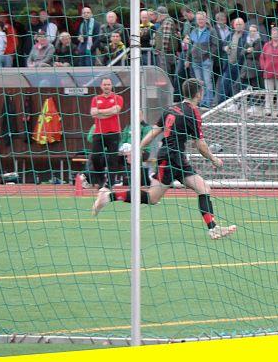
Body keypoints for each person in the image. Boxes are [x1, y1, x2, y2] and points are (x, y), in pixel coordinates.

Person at [92, 78, 236, 240]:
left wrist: (138, 148)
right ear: (199, 94)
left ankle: (213, 228)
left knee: (203, 188)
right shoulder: (193, 113)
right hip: (170, 158)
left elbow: (154, 131)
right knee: (153, 197)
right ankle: (109, 197)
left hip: (175, 158)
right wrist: (214, 159)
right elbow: (200, 145)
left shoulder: (171, 108)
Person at [88, 77, 124, 188]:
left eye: (108, 84)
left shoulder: (118, 98)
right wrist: (108, 112)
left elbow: (116, 110)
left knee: (112, 159)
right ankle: (101, 179)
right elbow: (93, 113)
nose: (106, 86)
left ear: (111, 86)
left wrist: (100, 112)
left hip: (114, 132)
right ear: (101, 86)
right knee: (95, 157)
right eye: (104, 84)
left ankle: (111, 183)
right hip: (99, 133)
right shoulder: (96, 99)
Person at [185, 11, 220, 108]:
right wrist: (187, 59)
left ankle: (209, 102)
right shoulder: (194, 31)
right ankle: (201, 102)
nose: (200, 21)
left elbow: (215, 45)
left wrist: (209, 56)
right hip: (195, 61)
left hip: (206, 61)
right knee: (199, 83)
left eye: (202, 19)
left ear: (206, 19)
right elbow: (190, 46)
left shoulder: (211, 31)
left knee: (207, 81)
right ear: (196, 20)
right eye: (198, 19)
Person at [216, 17, 247, 106]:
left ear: (244, 25)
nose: (238, 26)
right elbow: (223, 45)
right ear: (234, 26)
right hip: (229, 64)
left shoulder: (247, 36)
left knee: (238, 86)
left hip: (240, 65)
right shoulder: (230, 35)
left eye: (240, 24)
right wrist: (225, 48)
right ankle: (221, 104)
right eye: (237, 24)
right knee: (224, 84)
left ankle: (238, 104)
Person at [239, 24, 265, 98]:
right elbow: (241, 53)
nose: (252, 33)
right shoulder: (248, 41)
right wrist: (247, 51)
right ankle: (240, 102)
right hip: (246, 67)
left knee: (255, 87)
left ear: (257, 32)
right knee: (239, 86)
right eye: (250, 31)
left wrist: (246, 53)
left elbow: (254, 55)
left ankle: (256, 103)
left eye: (254, 31)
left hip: (254, 67)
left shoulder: (259, 42)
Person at [153, 6, 179, 78]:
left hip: (166, 54)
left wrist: (162, 53)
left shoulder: (167, 22)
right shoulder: (165, 22)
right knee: (166, 75)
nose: (156, 16)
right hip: (166, 54)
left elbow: (166, 38)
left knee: (165, 75)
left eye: (156, 14)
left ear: (160, 15)